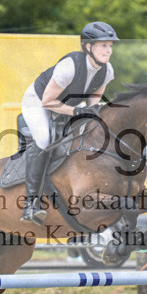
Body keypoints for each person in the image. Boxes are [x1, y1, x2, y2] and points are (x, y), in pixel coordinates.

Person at [19, 21, 116, 225]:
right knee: (45, 139)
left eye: (110, 45)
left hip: (67, 105)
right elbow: (48, 101)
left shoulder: (107, 71)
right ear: (88, 47)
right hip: (37, 101)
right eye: (103, 45)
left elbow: (93, 101)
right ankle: (30, 204)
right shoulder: (69, 66)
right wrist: (77, 111)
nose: (108, 50)